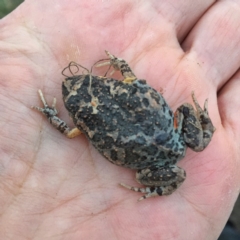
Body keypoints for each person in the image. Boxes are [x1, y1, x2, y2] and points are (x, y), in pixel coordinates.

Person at [0, 0, 240, 239]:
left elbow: (68, 130)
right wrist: (119, 64)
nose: (71, 83)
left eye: (90, 81)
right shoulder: (112, 95)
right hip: (169, 138)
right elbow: (130, 78)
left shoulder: (84, 125)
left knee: (144, 175)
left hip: (162, 150)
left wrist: (51, 114)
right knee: (187, 115)